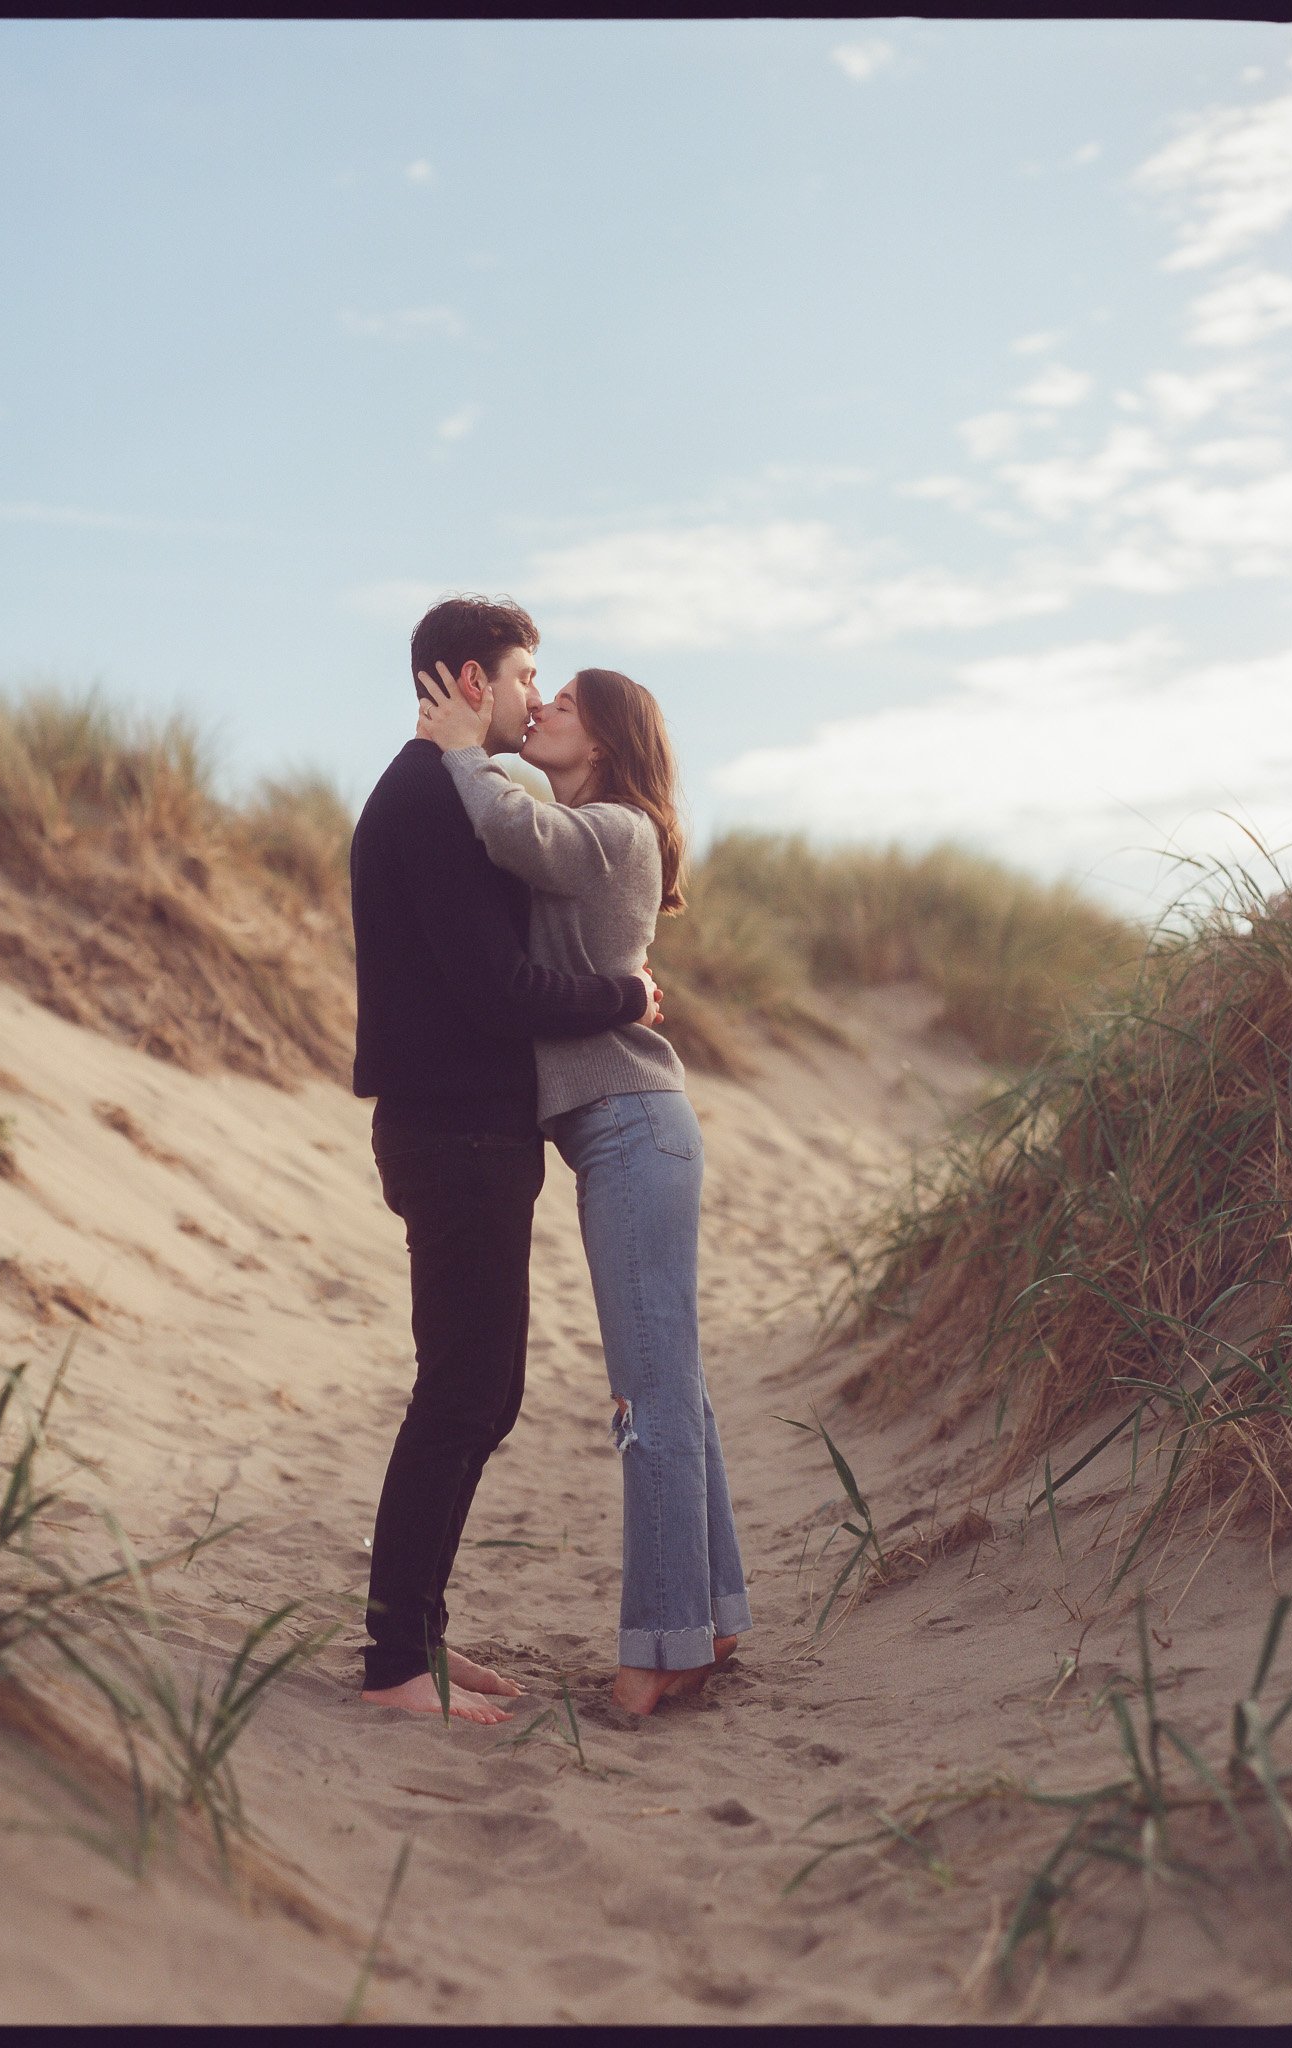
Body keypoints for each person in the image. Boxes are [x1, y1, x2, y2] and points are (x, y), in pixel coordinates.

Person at [414, 656, 752, 1717]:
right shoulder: (591, 833)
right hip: (617, 1132)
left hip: (632, 1128)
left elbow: (515, 831)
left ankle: (663, 1645)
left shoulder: (617, 830)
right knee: (672, 1381)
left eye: (561, 703)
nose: (542, 706)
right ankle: (714, 1610)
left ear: (601, 739)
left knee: (646, 1395)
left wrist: (462, 748)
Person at [350, 594, 661, 1724]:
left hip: (461, 1125)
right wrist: (627, 994)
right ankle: (393, 1661)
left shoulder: (437, 791)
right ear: (473, 681)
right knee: (467, 1390)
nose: (537, 696)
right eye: (527, 675)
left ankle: (418, 1638)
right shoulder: (430, 797)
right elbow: (499, 991)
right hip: (455, 1129)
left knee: (478, 1388)